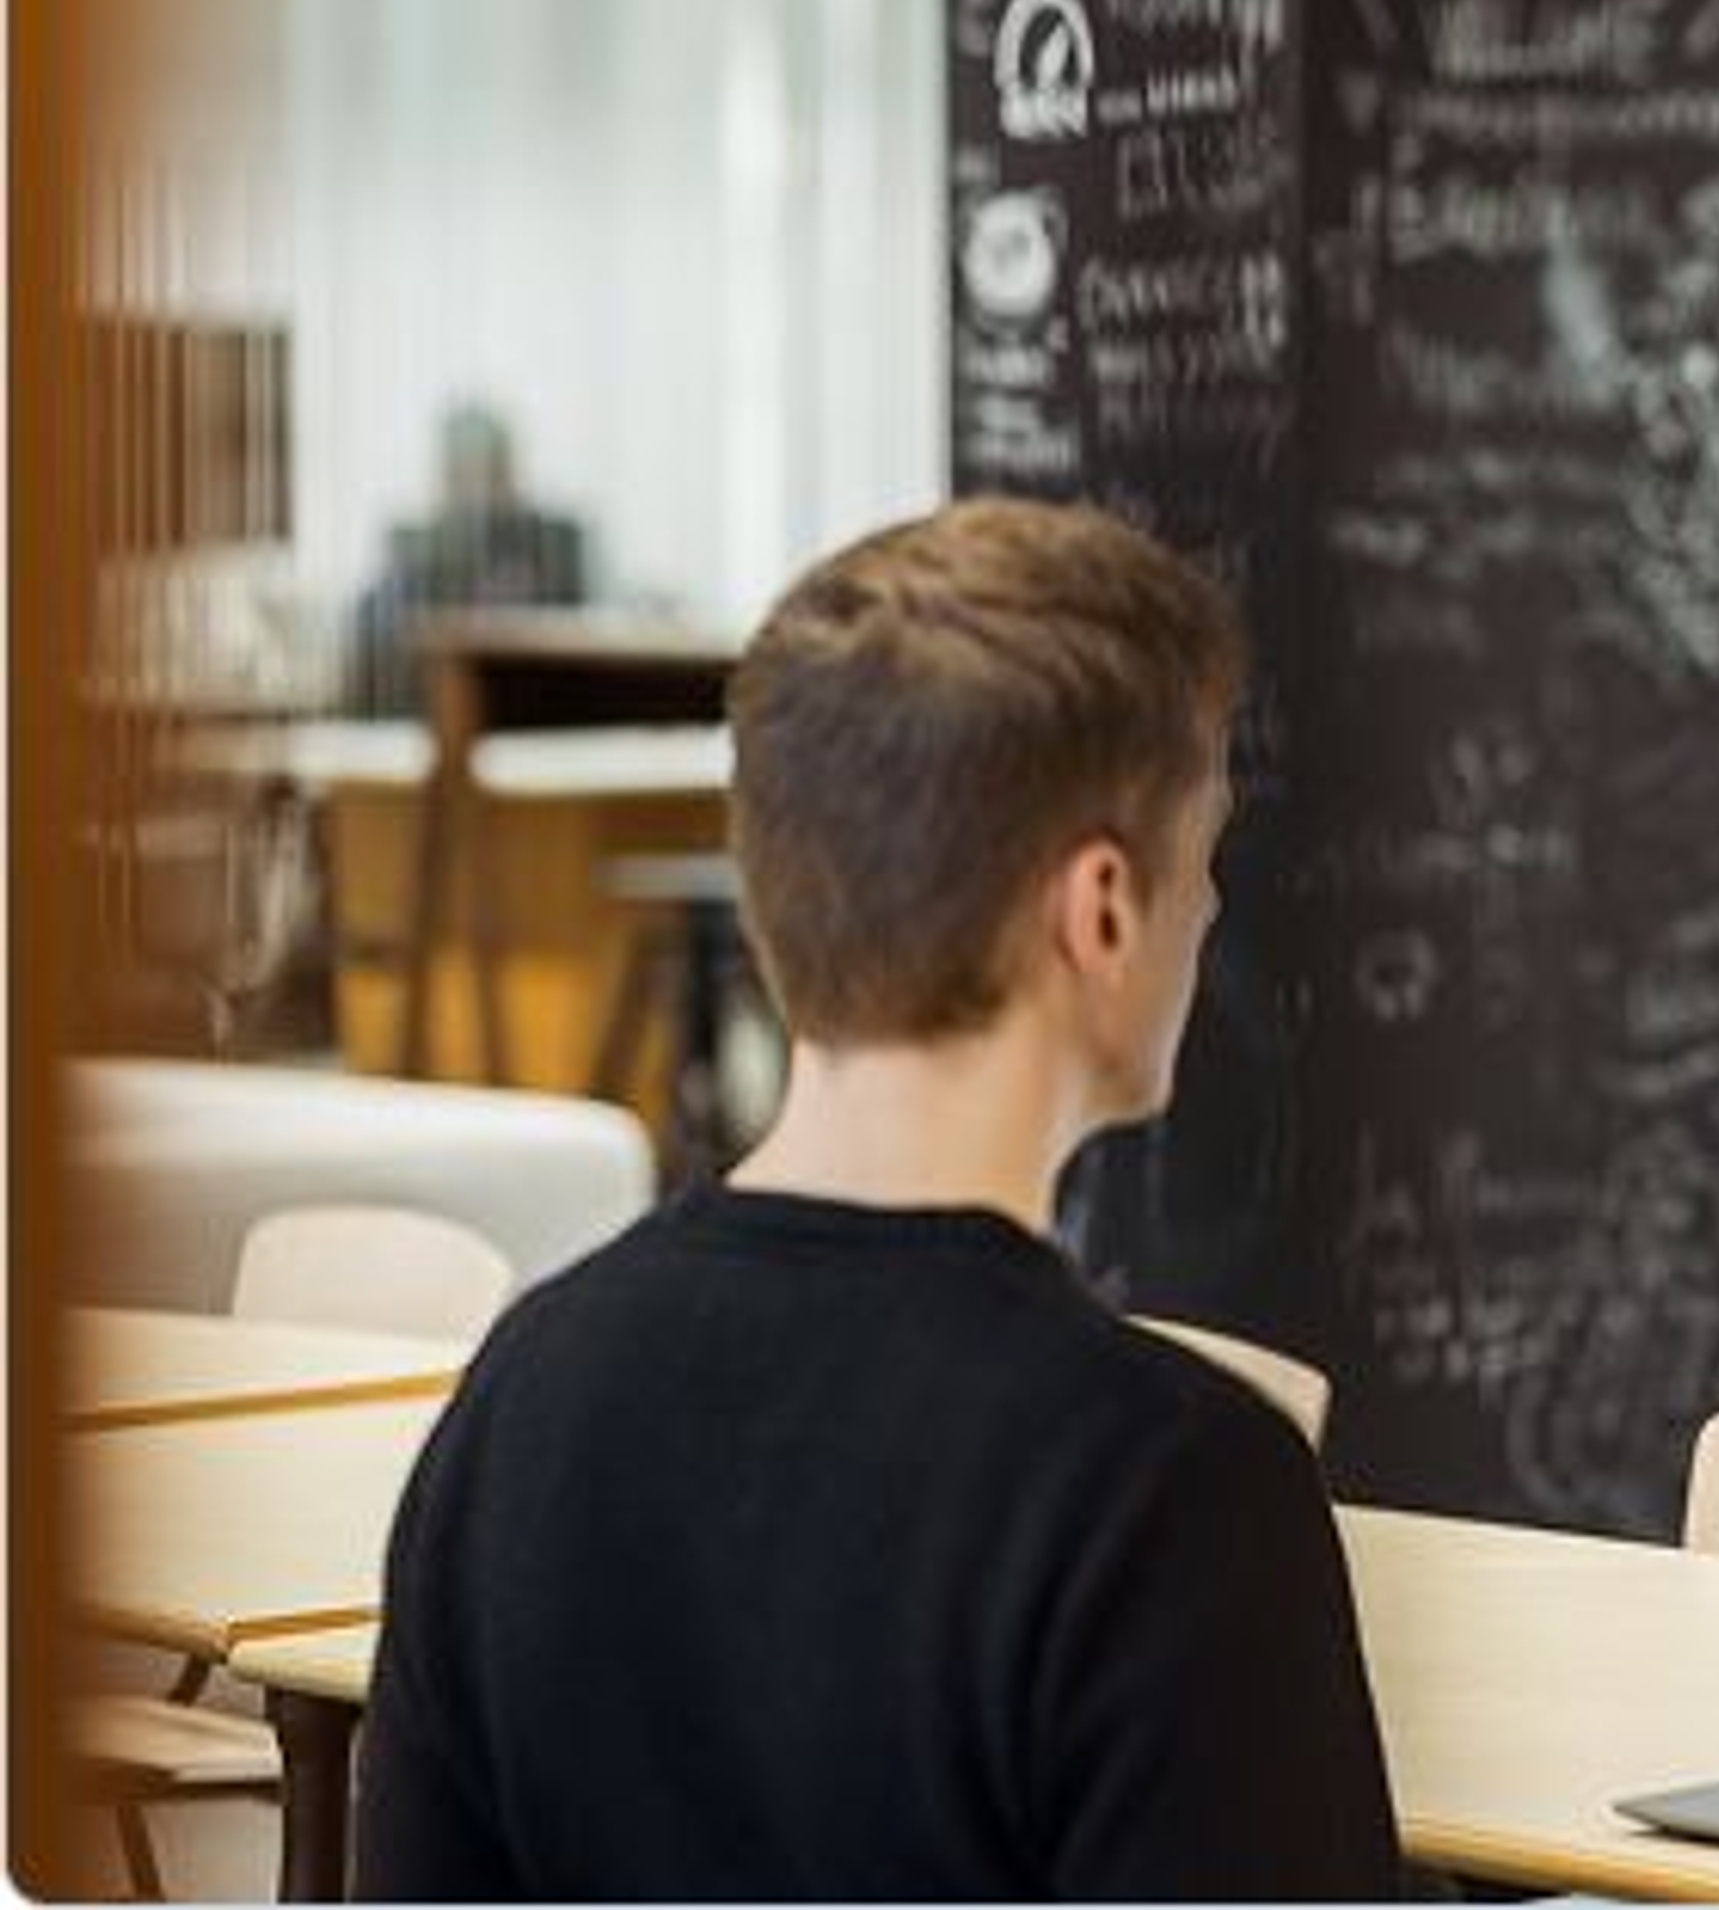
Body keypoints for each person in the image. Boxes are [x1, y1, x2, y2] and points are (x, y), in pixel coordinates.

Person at [358, 497, 1401, 1898]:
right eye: (1204, 852)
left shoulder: (524, 1391)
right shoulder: (1177, 1488)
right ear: (1099, 910)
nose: (1209, 910)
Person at [343, 401, 593, 718]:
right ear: (447, 477)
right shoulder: (416, 554)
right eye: (462, 471)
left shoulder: (554, 545)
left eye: (491, 469)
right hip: (435, 716)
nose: (479, 487)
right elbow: (377, 634)